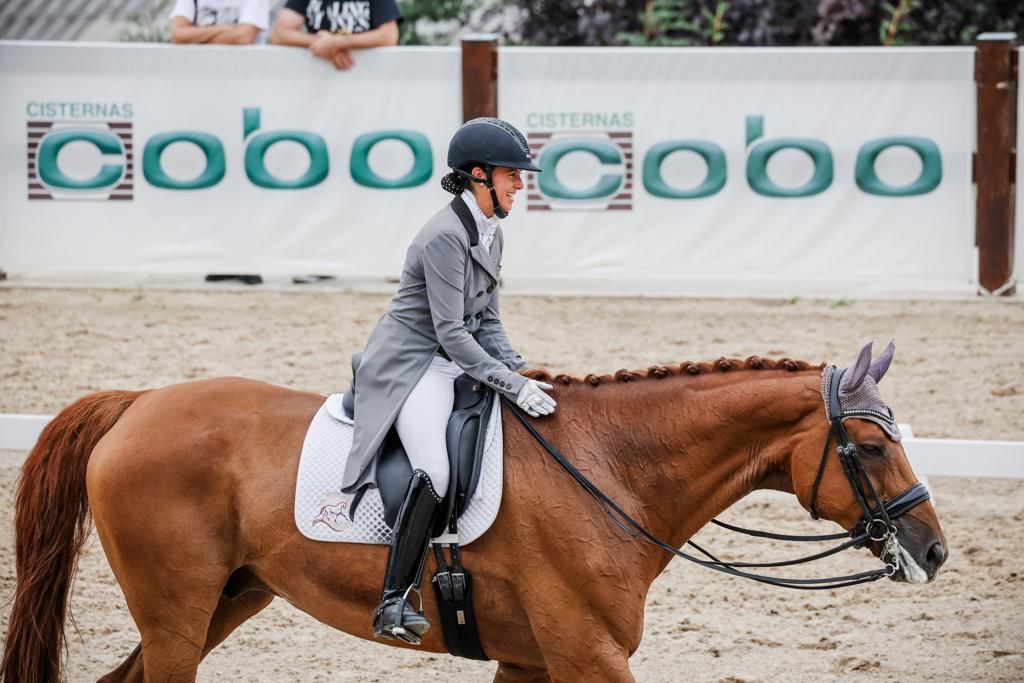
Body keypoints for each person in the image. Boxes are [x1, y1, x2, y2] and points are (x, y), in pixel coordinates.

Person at [343, 118, 557, 644]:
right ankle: (395, 600)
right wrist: (508, 383)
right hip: (412, 365)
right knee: (435, 470)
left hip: (454, 358)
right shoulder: (443, 235)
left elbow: (488, 322)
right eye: (512, 175)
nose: (519, 184)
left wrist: (522, 369)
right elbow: (452, 332)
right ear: (478, 175)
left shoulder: (492, 232)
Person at [269, 0, 401, 71]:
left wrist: (337, 42)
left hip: (368, 80)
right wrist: (324, 44)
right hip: (316, 82)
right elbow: (279, 34)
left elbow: (389, 36)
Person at [168, 0, 269, 44]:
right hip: (201, 71)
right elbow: (178, 34)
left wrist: (195, 36)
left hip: (244, 72)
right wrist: (223, 29)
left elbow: (243, 37)